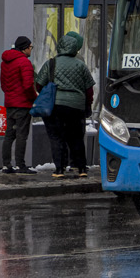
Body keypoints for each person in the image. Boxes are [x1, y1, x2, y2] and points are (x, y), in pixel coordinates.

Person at [35, 31, 95, 177]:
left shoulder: (51, 63)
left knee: (56, 137)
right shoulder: (81, 65)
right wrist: (87, 105)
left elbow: (39, 85)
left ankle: (60, 169)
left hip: (55, 105)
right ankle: (81, 169)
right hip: (76, 106)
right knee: (76, 137)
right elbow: (89, 89)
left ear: (60, 47)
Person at [0, 36, 36, 174]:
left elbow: (3, 84)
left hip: (10, 103)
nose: (31, 50)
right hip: (23, 104)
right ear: (24, 48)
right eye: (30, 47)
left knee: (9, 135)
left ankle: (6, 164)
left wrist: (10, 95)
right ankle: (20, 165)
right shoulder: (24, 62)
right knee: (21, 135)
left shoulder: (5, 62)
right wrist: (34, 98)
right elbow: (28, 85)